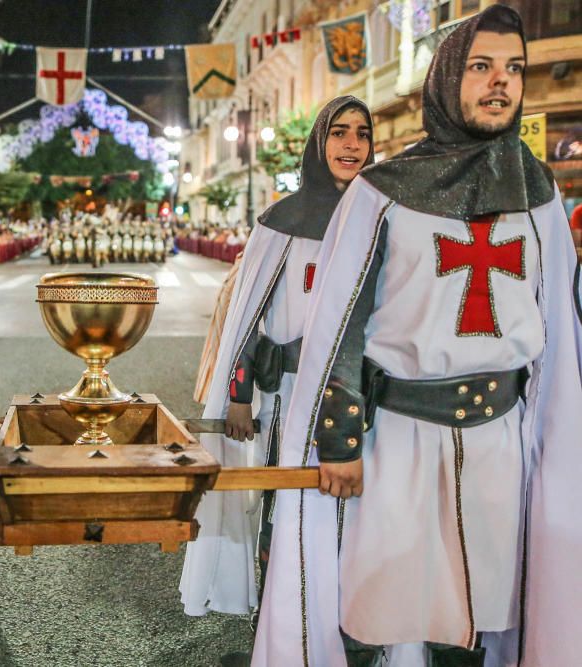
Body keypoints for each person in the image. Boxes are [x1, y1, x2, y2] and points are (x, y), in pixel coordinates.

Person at [253, 7, 582, 665]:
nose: (501, 82)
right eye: (483, 66)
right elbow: (343, 320)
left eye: (513, 68)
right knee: (394, 609)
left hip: (501, 438)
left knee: (494, 606)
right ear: (449, 74)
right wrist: (339, 439)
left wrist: (556, 441)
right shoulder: (383, 189)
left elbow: (557, 328)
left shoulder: (538, 188)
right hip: (398, 438)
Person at [181, 97, 374, 629]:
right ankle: (277, 622)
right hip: (285, 395)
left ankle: (339, 625)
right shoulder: (281, 220)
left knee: (347, 511)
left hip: (356, 397)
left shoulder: (382, 218)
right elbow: (247, 313)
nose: (351, 144)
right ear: (320, 142)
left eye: (361, 133)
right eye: (339, 133)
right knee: (279, 505)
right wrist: (239, 393)